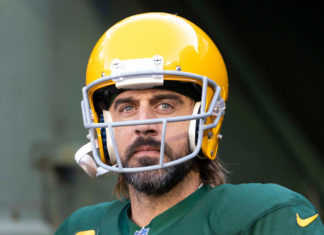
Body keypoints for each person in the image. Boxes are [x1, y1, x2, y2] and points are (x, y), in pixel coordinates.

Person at [56, 12, 324, 235]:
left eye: (165, 105)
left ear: (206, 118)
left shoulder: (262, 217)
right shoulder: (81, 229)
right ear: (105, 124)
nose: (144, 123)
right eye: (127, 107)